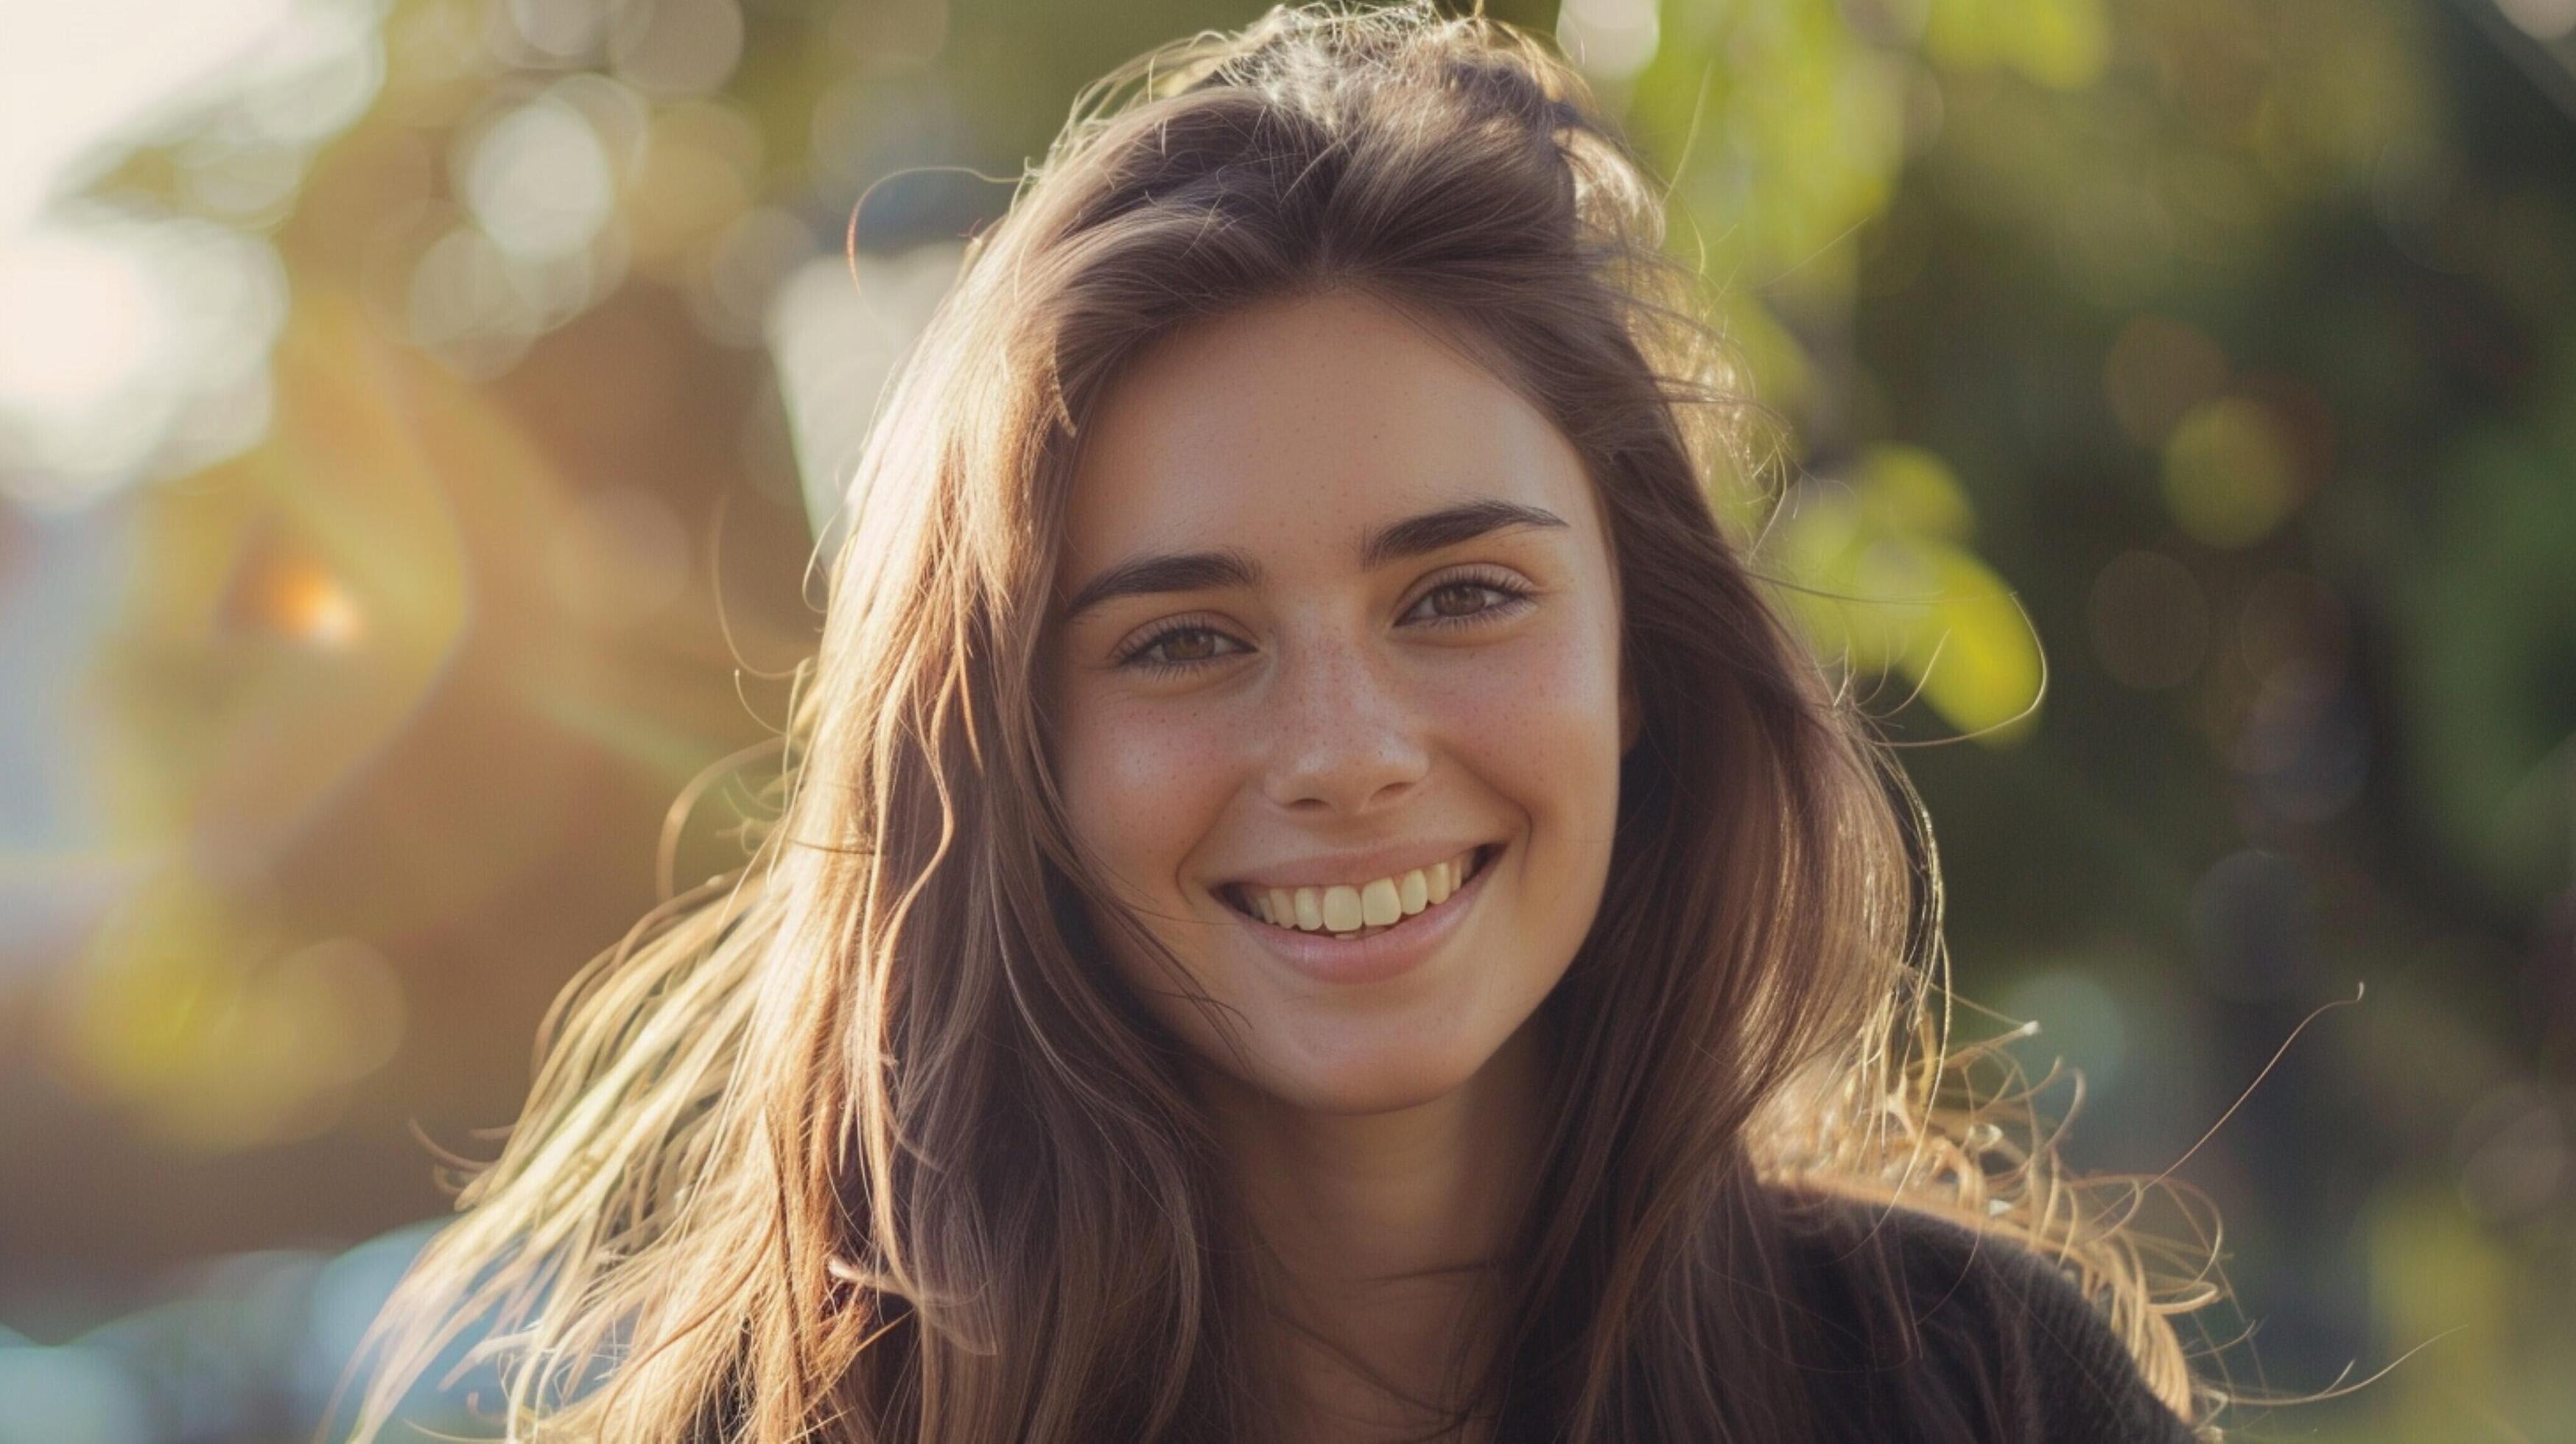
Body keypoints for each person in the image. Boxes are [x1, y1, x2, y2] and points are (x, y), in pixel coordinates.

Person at [341, 4, 2224, 1440]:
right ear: (1017, 753)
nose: (1344, 747)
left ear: (1640, 656)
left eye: (1461, 595)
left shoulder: (1967, 1385)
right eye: (1181, 640)